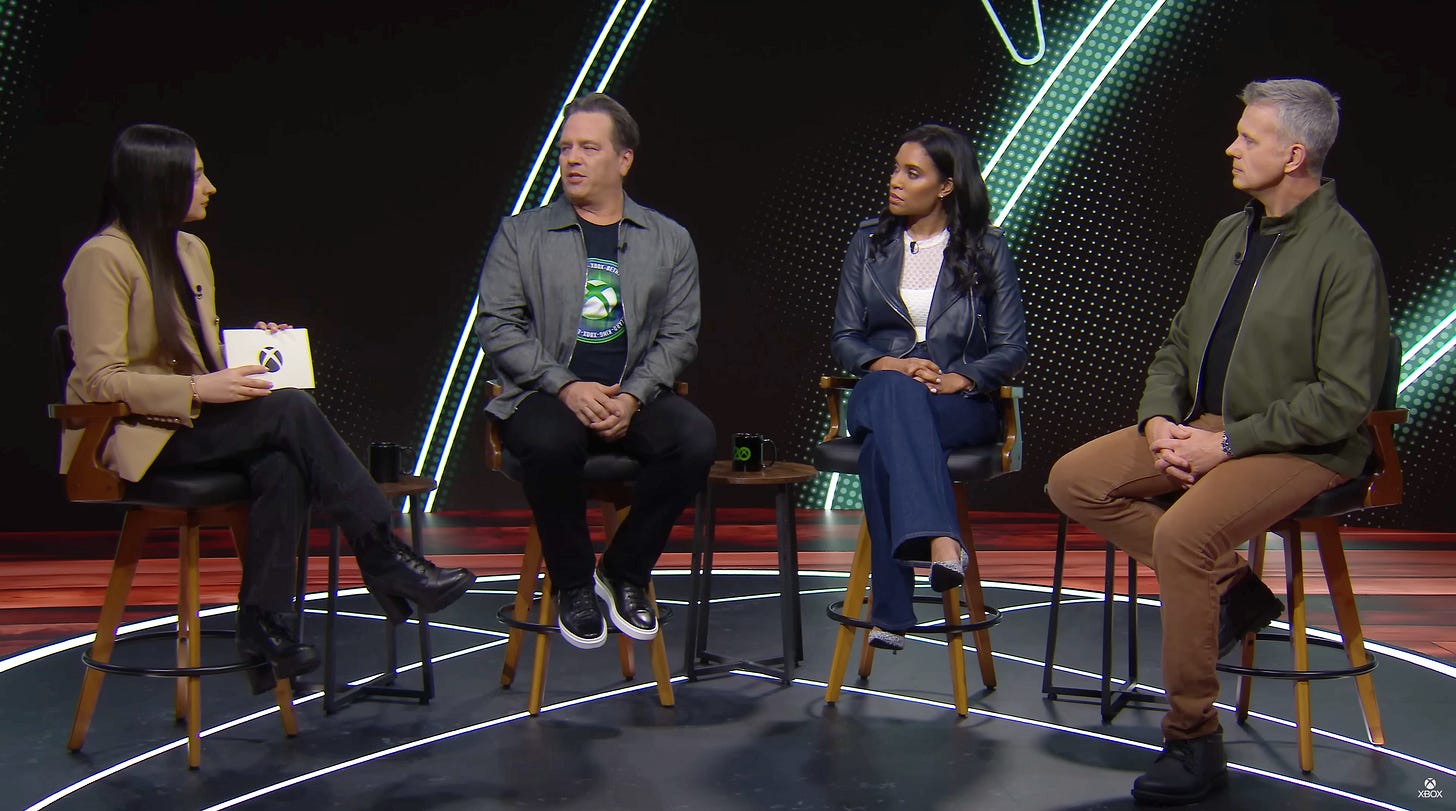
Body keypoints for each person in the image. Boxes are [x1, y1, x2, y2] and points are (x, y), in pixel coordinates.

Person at [1047, 79, 1388, 805]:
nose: (1231, 148)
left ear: (1293, 155)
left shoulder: (1344, 252)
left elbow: (1342, 398)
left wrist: (1227, 444)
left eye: (1248, 138)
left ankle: (1194, 739)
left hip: (1301, 447)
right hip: (1210, 428)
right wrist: (1157, 422)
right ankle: (1234, 587)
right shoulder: (1230, 233)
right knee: (1073, 480)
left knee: (1183, 539)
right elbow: (1178, 343)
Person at [61, 123, 476, 694]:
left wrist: (254, 348)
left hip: (191, 425)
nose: (211, 186)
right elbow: (99, 380)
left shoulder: (190, 250)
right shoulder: (102, 258)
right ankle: (381, 553)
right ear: (159, 182)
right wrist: (198, 390)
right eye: (197, 175)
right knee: (290, 412)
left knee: (281, 459)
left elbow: (191, 353)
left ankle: (264, 624)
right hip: (135, 436)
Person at [476, 93, 714, 650]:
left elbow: (680, 336)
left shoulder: (669, 239)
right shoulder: (521, 234)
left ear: (623, 160)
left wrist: (632, 397)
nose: (572, 159)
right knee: (551, 442)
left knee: (695, 439)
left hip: (633, 396)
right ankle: (574, 584)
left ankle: (623, 571)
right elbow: (497, 325)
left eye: (588, 147)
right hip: (544, 395)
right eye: (565, 149)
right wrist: (565, 386)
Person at [829, 123, 1027, 652]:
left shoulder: (987, 249)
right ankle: (942, 539)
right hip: (881, 389)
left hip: (955, 401)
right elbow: (845, 338)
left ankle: (892, 613)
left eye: (912, 173)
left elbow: (1012, 347)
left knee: (882, 450)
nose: (895, 181)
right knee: (896, 395)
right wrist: (891, 365)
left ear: (945, 186)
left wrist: (966, 376)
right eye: (895, 169)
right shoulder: (868, 242)